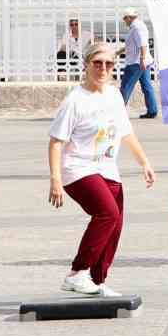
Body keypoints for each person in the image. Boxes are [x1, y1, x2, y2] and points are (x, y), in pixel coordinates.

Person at [47, 39, 156, 296]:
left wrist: (144, 162)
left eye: (109, 64)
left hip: (107, 168)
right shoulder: (75, 100)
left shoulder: (114, 95)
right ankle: (77, 272)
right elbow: (55, 143)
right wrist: (55, 180)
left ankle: (97, 280)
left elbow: (125, 132)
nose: (103, 69)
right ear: (86, 65)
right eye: (97, 63)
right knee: (108, 214)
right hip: (78, 169)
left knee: (115, 225)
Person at [119, 9, 159, 120]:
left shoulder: (136, 28)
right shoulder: (137, 26)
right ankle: (152, 110)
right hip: (142, 62)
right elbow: (131, 45)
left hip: (136, 63)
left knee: (125, 87)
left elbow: (143, 44)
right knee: (146, 86)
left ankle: (117, 112)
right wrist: (117, 53)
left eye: (124, 18)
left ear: (129, 17)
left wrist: (141, 59)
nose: (124, 21)